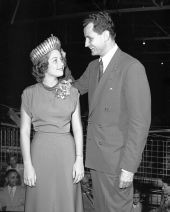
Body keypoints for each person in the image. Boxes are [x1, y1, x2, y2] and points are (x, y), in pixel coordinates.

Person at [72, 11, 151, 212]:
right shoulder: (92, 67)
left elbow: (140, 123)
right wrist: (59, 64)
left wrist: (129, 168)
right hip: (97, 159)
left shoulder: (131, 67)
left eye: (89, 38)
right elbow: (74, 89)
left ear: (106, 35)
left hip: (117, 163)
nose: (85, 43)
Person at [20, 35, 84, 212]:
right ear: (43, 66)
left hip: (67, 154)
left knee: (66, 200)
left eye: (61, 59)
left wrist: (79, 160)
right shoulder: (29, 93)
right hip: (40, 154)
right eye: (55, 60)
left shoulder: (71, 92)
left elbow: (77, 128)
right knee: (41, 200)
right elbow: (25, 131)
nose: (61, 63)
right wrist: (27, 164)